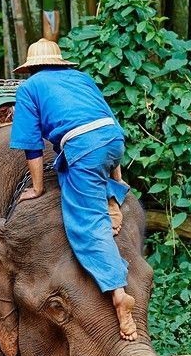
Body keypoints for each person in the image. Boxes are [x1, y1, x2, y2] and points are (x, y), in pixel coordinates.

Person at [8, 38, 136, 340]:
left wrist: (38, 188)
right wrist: (115, 182)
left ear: (31, 69)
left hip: (83, 146)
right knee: (71, 170)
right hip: (112, 139)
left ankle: (119, 293)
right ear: (59, 63)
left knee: (85, 225)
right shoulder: (81, 78)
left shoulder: (29, 88)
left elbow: (31, 146)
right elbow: (107, 120)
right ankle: (110, 196)